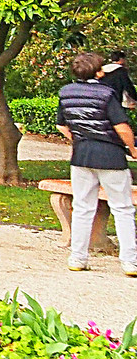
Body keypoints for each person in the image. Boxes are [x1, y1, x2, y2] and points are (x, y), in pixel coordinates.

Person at [56, 52, 137, 274]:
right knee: (122, 208)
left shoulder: (66, 92)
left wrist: (80, 139)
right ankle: (130, 262)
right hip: (110, 156)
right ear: (99, 72)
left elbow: (62, 126)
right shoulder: (106, 93)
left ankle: (77, 258)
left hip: (81, 157)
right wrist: (132, 148)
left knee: (82, 207)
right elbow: (121, 126)